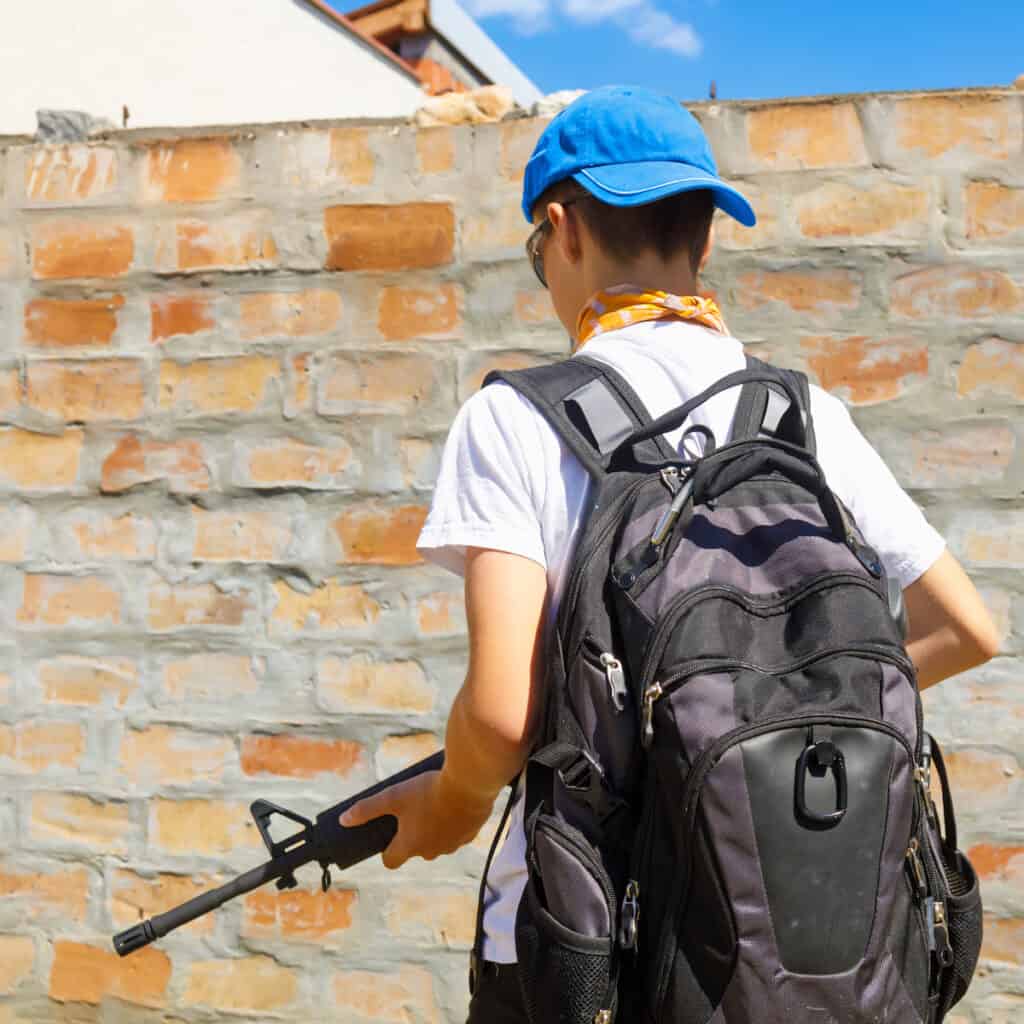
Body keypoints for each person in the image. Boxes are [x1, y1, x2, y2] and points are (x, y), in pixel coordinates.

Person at [341, 85, 1000, 1022]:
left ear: (562, 231)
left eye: (539, 251)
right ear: (708, 236)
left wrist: (451, 802)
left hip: (592, 950)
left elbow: (499, 715)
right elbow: (966, 628)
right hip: (804, 943)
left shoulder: (516, 417)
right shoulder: (801, 416)